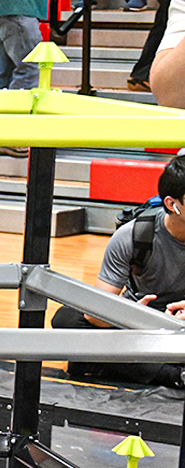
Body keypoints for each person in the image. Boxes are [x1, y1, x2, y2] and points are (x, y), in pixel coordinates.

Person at [51, 154, 185, 388]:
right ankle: (174, 376)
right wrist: (131, 316)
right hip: (138, 326)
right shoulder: (133, 235)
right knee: (66, 318)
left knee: (93, 349)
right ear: (172, 205)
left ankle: (115, 364)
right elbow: (96, 314)